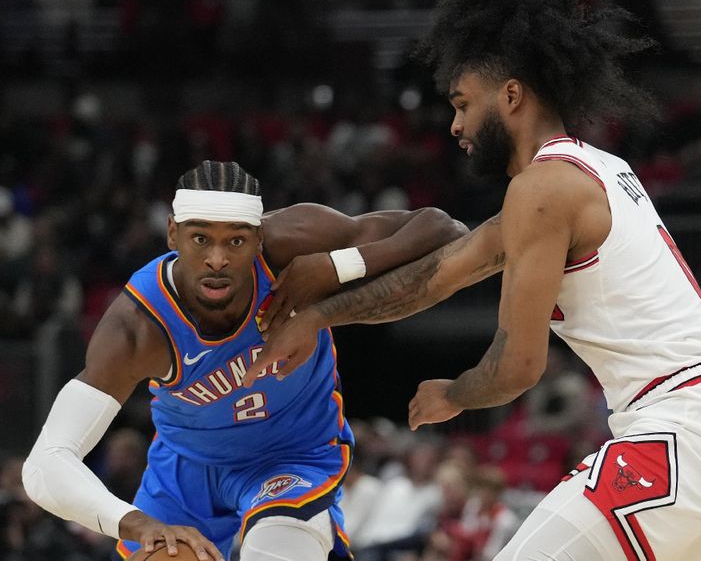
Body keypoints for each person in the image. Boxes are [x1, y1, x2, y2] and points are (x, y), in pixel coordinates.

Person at [246, 0, 701, 559]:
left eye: (462, 103)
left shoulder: (544, 190)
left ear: (510, 94)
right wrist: (320, 314)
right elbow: (433, 277)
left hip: (693, 422)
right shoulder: (585, 171)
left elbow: (517, 367)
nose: (454, 125)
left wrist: (454, 393)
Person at [22, 159, 467, 561]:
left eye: (235, 241)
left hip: (290, 455)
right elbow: (46, 464)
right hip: (186, 469)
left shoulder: (292, 243)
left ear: (258, 238)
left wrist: (339, 267)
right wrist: (136, 523)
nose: (218, 260)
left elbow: (444, 229)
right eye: (200, 239)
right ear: (172, 233)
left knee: (273, 549)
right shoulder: (139, 326)